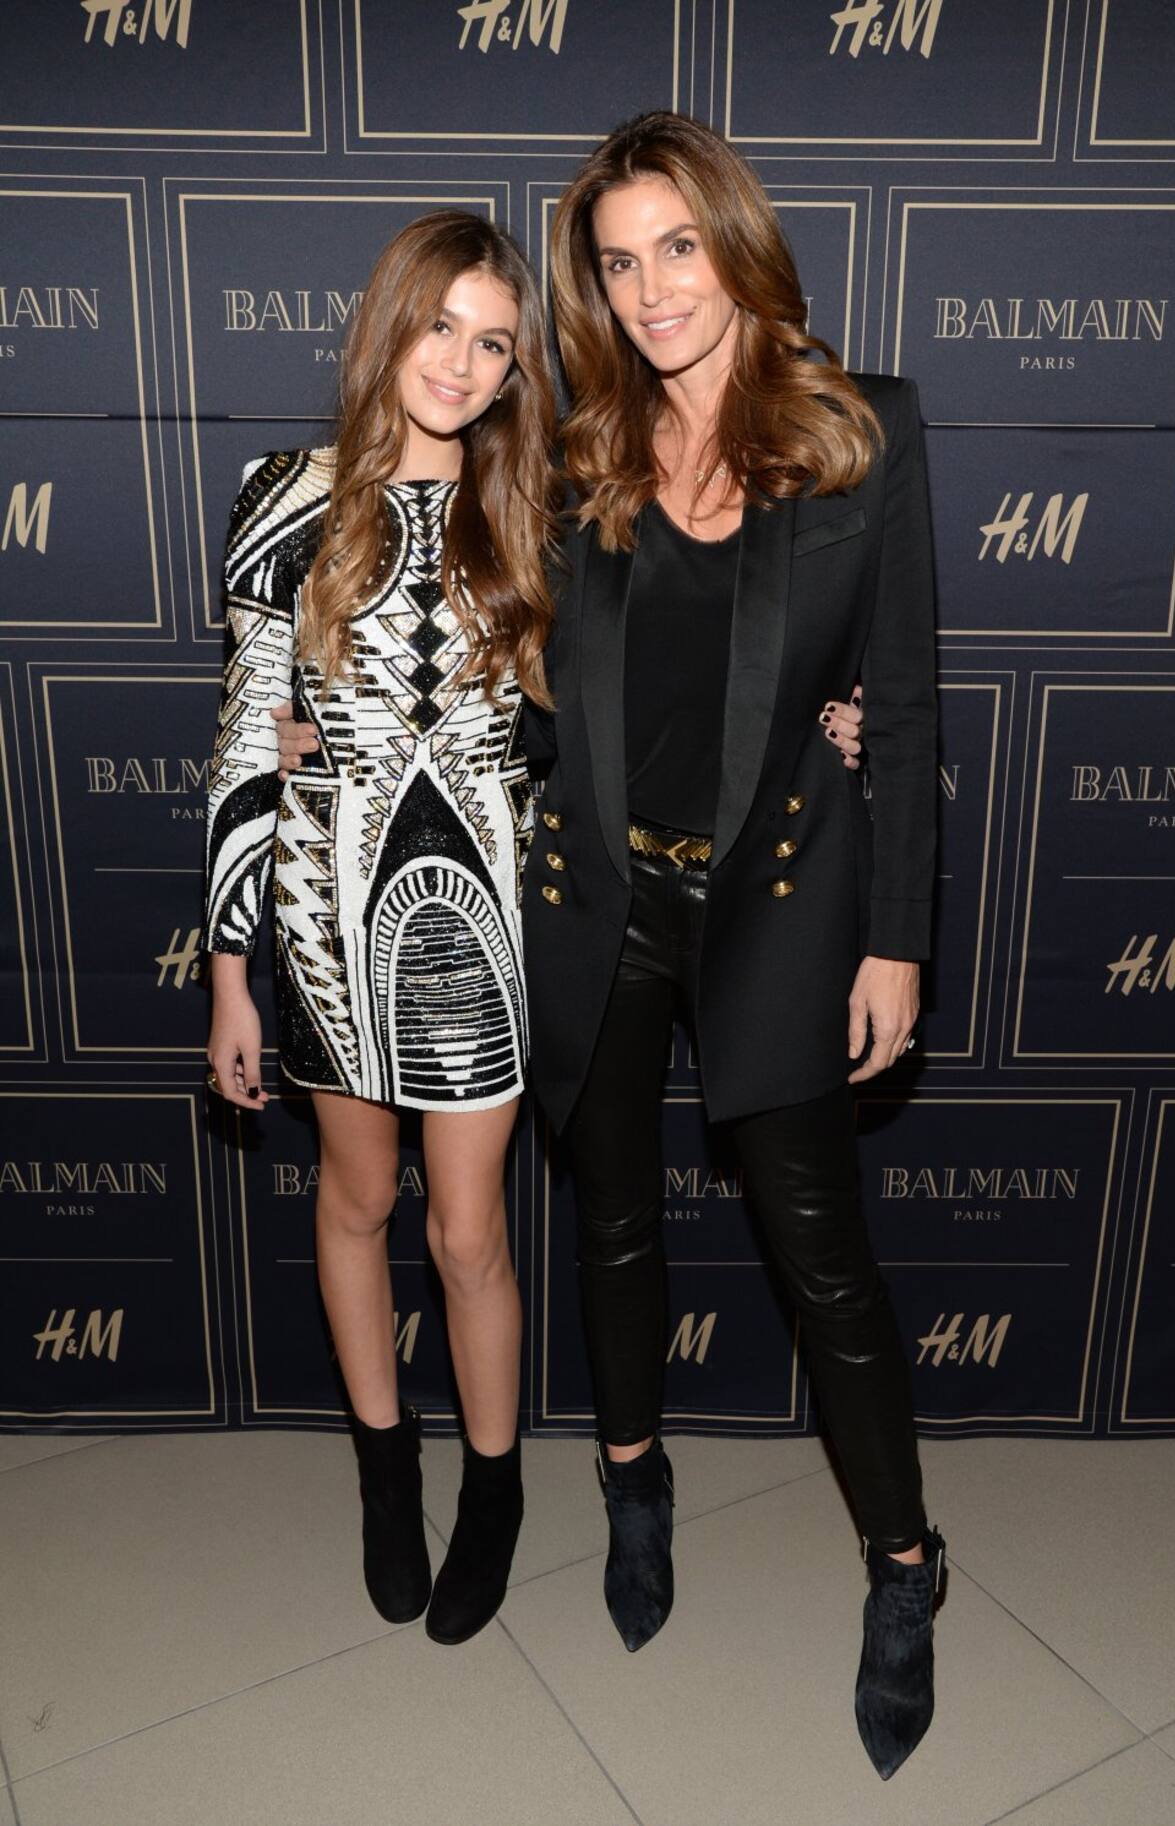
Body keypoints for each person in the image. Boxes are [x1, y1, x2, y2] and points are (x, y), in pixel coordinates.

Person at [519, 110, 944, 1781]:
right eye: (619, 262)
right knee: (614, 1220)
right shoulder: (579, 452)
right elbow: (520, 670)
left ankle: (905, 1563)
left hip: (778, 902)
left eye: (676, 247)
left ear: (737, 243)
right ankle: (634, 1480)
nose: (651, 290)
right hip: (607, 902)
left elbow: (902, 706)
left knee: (822, 1257)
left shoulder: (863, 434)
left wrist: (895, 941)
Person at [203, 210, 559, 1645]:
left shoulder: (536, 510)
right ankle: (384, 1469)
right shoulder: (285, 499)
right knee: (355, 1201)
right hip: (324, 908)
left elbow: (621, 701)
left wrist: (836, 710)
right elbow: (248, 739)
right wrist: (231, 970)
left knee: (470, 1232)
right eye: (441, 327)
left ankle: (495, 1487)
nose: (462, 365)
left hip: (485, 920)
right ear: (388, 325)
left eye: (495, 344)